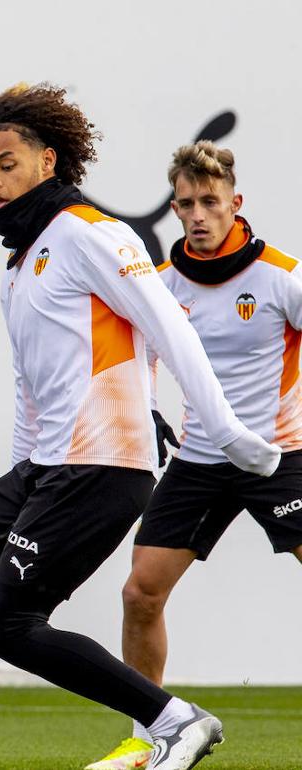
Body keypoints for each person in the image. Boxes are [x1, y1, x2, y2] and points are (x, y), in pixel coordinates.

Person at [0, 85, 281, 770]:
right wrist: (20, 472)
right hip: (45, 468)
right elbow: (31, 387)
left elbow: (169, 328)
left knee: (9, 625)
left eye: (8, 163)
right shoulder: (18, 260)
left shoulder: (91, 232)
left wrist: (226, 430)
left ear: (48, 161)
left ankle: (176, 719)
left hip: (103, 468)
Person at [86, 142, 302, 770]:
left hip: (279, 456)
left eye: (211, 201)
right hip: (199, 461)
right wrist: (146, 410)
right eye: (187, 204)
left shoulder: (281, 277)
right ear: (175, 210)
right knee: (139, 595)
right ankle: (152, 736)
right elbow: (141, 360)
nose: (199, 214)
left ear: (237, 202)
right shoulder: (161, 285)